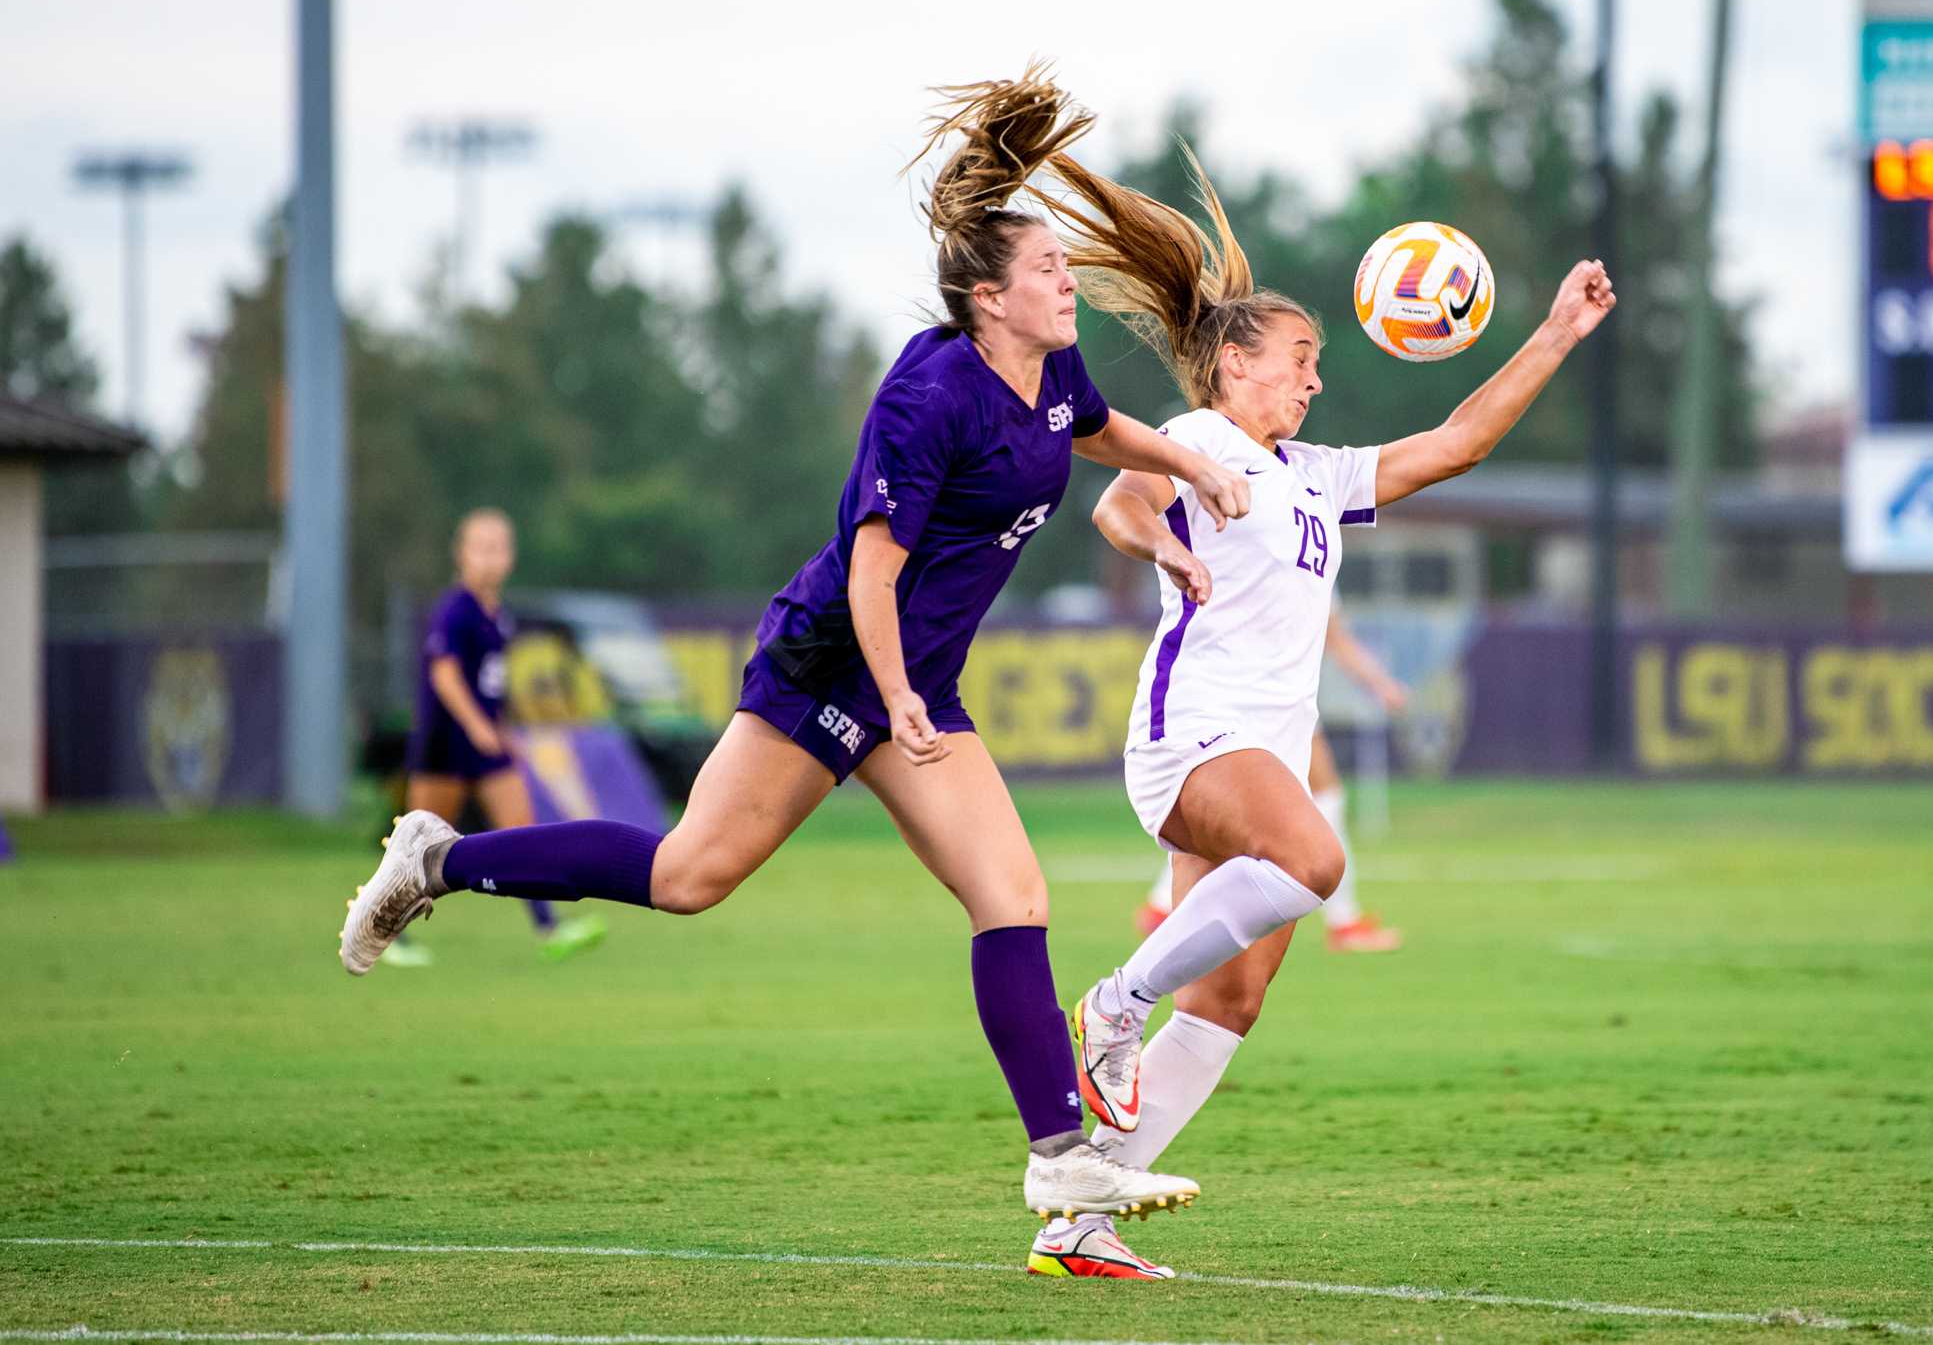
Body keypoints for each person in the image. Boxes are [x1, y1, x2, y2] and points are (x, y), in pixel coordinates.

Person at [337, 68, 1253, 1266]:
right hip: (833, 664)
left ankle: (1057, 1156)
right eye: (1045, 273)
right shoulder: (927, 397)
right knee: (687, 876)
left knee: (1012, 899)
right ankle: (437, 858)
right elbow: (872, 572)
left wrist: (1193, 471)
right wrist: (903, 695)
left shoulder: (1048, 371)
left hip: (915, 688)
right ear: (987, 299)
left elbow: (1093, 434)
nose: (1067, 282)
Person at [1034, 142, 1613, 1271]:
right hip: (1192, 735)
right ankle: (1113, 1004)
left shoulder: (1314, 473)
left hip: (1253, 749)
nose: (1311, 380)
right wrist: (1167, 543)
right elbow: (1117, 506)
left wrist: (1554, 334)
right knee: (1313, 859)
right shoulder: (1203, 439)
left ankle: (1080, 1219)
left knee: (1238, 995)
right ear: (1233, 365)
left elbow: (1455, 444)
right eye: (1298, 358)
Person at [383, 508, 606, 968]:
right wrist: (477, 727)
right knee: (417, 847)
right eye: (481, 547)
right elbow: (444, 675)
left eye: (499, 548)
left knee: (522, 833)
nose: (491, 557)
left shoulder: (498, 618)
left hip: (485, 747)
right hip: (445, 745)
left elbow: (489, 688)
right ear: (462, 554)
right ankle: (386, 933)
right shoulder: (454, 610)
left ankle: (549, 926)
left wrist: (501, 731)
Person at [1134, 607, 1406, 953]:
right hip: (1262, 701)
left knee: (1240, 813)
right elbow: (1336, 639)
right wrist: (1381, 685)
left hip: (1268, 699)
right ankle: (1344, 920)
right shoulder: (1297, 555)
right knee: (1320, 799)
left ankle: (1160, 907)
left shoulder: (1310, 557)